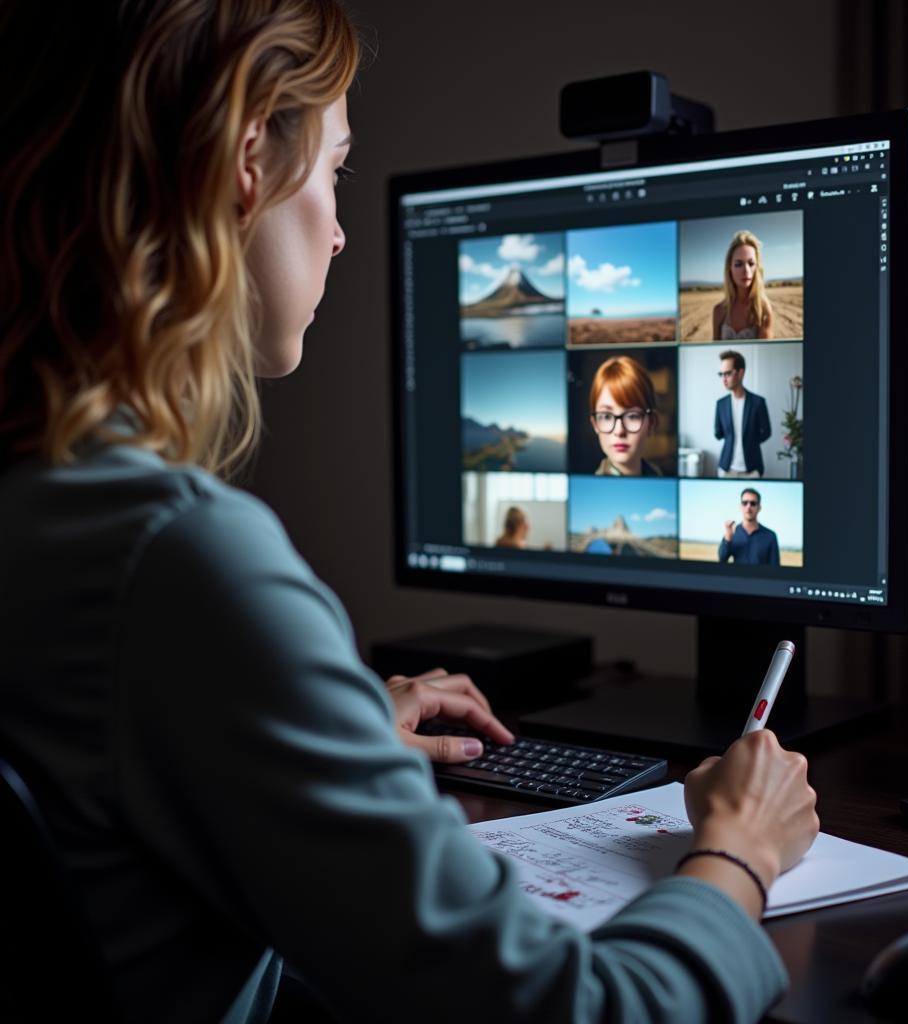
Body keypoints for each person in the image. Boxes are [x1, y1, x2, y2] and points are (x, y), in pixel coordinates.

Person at [0, 3, 819, 1022]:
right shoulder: (175, 560)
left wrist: (309, 738)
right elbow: (582, 1011)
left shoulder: (42, 505)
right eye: (334, 169)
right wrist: (736, 849)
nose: (341, 231)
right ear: (248, 157)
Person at [589, 355, 663, 476]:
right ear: (595, 424)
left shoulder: (658, 475)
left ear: (651, 423)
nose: (619, 431)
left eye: (632, 416)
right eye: (607, 416)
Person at [714, 349, 772, 478]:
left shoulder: (758, 402)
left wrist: (750, 441)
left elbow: (767, 432)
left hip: (752, 469)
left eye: (728, 373)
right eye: (721, 374)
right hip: (726, 469)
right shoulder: (720, 404)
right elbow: (718, 433)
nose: (724, 379)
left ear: (740, 373)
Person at [712, 230, 774, 340]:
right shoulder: (719, 311)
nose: (746, 271)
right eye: (738, 264)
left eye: (751, 264)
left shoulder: (763, 310)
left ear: (757, 267)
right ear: (729, 268)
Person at [719, 488, 781, 566]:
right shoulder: (731, 532)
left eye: (753, 503)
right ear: (740, 506)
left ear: (759, 507)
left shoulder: (770, 536)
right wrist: (728, 539)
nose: (748, 507)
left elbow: (775, 568)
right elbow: (722, 560)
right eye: (745, 503)